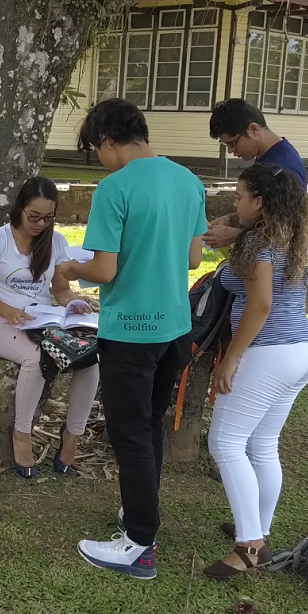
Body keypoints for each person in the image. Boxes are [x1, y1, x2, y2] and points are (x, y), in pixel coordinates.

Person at [58, 98, 207, 580]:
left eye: (95, 151)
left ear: (106, 142)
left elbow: (104, 269)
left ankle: (140, 544)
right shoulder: (188, 180)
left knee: (130, 433)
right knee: (149, 424)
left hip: (131, 333)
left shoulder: (114, 188)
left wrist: (69, 267)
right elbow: (192, 260)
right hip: (176, 330)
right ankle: (140, 514)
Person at [204, 164, 308, 579]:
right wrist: (291, 319)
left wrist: (231, 358)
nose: (234, 203)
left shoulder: (259, 246)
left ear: (259, 202)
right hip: (301, 351)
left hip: (267, 355)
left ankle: (250, 546)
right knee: (262, 443)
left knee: (225, 442)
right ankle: (257, 528)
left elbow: (259, 305)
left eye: (240, 197)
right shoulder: (292, 239)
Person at [0, 177, 99, 478]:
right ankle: (22, 434)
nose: (41, 223)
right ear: (19, 209)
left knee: (90, 358)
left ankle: (73, 434)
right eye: (34, 216)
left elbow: (61, 289)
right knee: (35, 358)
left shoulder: (55, 241)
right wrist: (9, 310)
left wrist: (73, 304)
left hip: (43, 322)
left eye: (48, 217)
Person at [205, 98, 308, 249]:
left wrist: (235, 236)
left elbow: (286, 228)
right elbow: (266, 214)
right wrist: (233, 220)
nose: (231, 151)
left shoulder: (284, 167)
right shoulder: (267, 157)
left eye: (233, 144)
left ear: (253, 130)